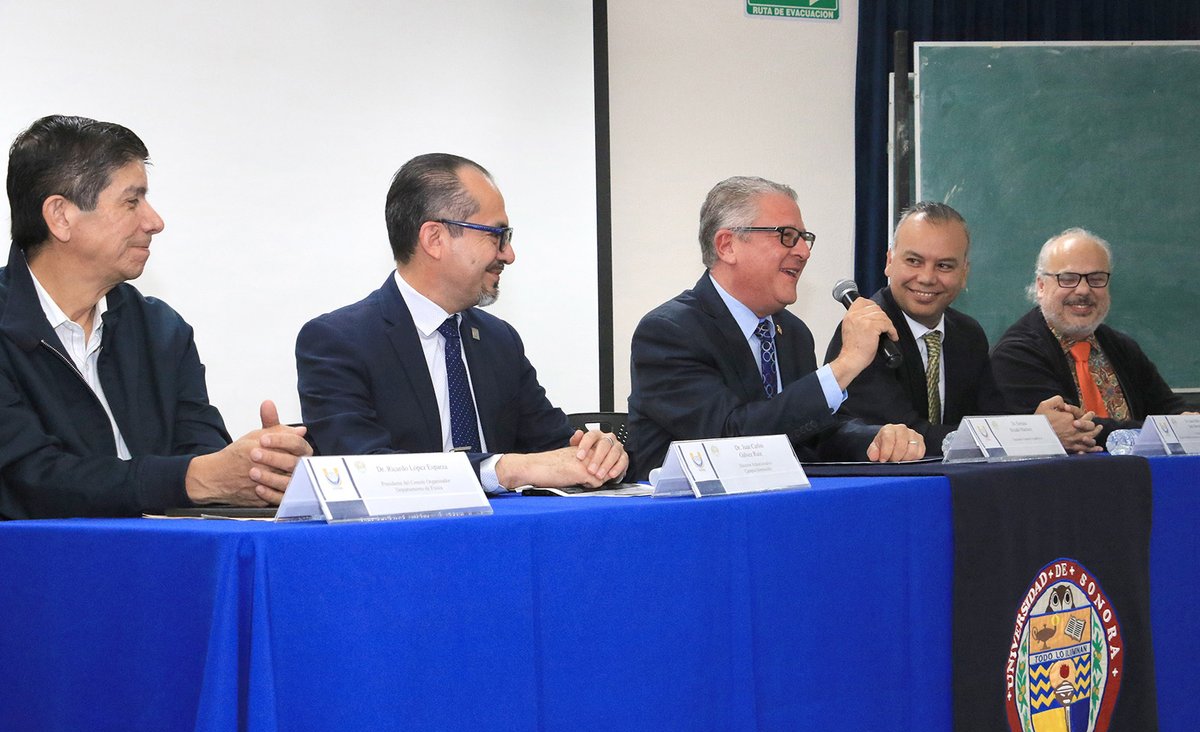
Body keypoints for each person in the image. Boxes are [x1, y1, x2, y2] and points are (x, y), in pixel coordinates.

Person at [0, 114, 311, 519]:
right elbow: (29, 480)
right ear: (60, 216)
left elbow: (202, 453)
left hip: (161, 566)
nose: (154, 222)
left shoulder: (160, 329)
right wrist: (195, 478)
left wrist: (260, 466)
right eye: (132, 201)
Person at [295, 153, 626, 491]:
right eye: (496, 235)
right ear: (434, 239)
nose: (508, 254)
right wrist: (504, 469)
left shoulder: (500, 341)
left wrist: (599, 456)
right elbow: (364, 470)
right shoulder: (337, 342)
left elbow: (554, 446)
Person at [626, 176, 925, 480]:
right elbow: (731, 440)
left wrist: (874, 440)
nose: (803, 252)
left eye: (804, 238)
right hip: (689, 517)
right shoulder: (668, 332)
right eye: (786, 235)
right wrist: (845, 365)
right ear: (727, 245)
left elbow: (811, 433)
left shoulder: (792, 332)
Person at [825, 203, 1103, 456]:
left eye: (944, 265)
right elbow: (909, 435)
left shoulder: (968, 335)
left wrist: (1035, 424)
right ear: (889, 261)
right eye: (914, 261)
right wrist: (1033, 434)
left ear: (964, 273)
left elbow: (988, 420)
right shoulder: (864, 332)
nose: (926, 277)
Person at [991, 227, 1194, 441]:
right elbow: (1073, 429)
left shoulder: (1122, 347)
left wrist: (1187, 422)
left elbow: (1169, 407)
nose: (1083, 290)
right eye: (1068, 278)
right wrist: (1168, 430)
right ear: (1041, 286)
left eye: (1096, 279)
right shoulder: (1015, 353)